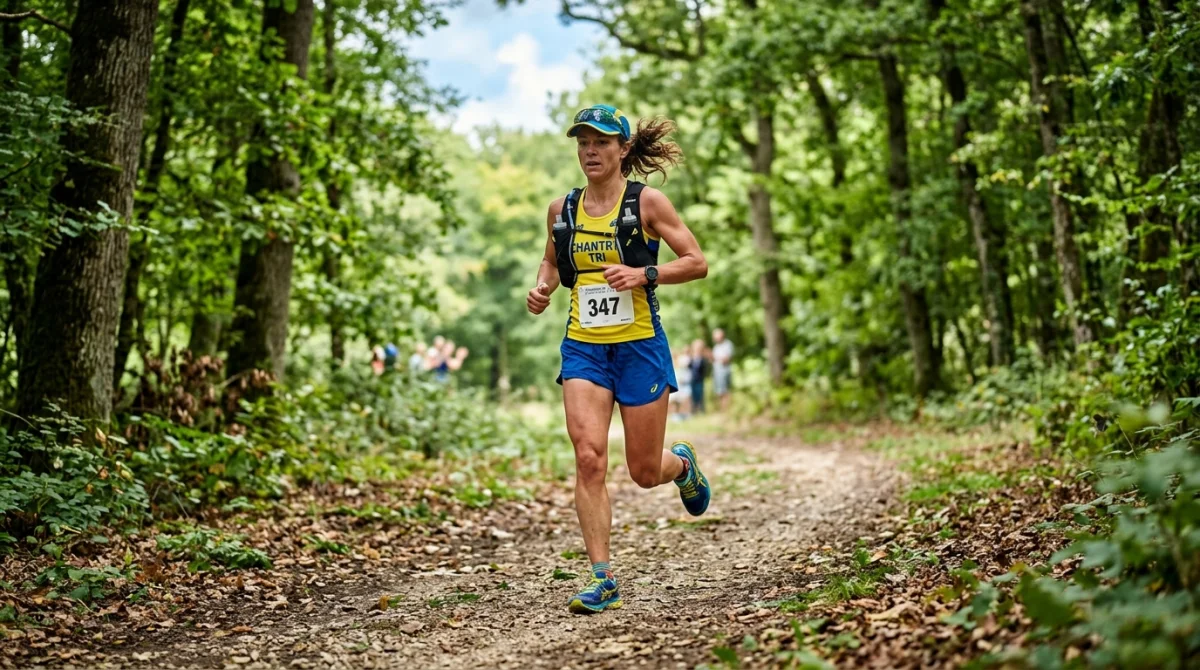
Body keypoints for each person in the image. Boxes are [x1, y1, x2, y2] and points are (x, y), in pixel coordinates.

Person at [526, 104, 711, 615]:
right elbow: (551, 261)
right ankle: (602, 578)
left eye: (602, 142)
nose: (590, 151)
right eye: (583, 142)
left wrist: (644, 275)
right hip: (584, 347)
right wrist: (542, 287)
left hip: (639, 346)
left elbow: (696, 262)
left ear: (623, 149)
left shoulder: (647, 202)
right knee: (588, 457)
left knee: (644, 471)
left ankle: (682, 466)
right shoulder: (561, 209)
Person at [711, 328, 734, 412]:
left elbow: (727, 359)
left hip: (725, 371)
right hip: (717, 372)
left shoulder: (728, 344)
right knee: (719, 391)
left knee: (725, 391)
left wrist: (717, 359)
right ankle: (722, 409)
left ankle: (727, 409)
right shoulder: (716, 347)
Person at [687, 338, 709, 414]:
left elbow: (705, 368)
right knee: (693, 394)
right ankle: (694, 409)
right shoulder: (692, 358)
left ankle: (701, 409)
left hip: (700, 378)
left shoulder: (703, 359)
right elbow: (689, 367)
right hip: (692, 378)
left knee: (700, 393)